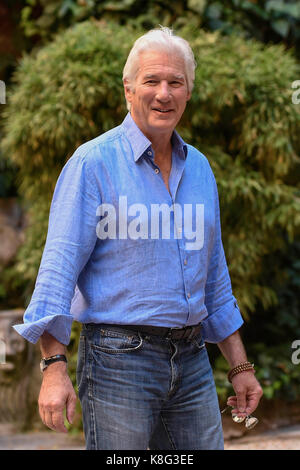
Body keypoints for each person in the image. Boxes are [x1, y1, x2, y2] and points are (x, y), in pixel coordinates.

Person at [13, 26, 263, 450]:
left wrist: (240, 366)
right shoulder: (92, 164)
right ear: (128, 90)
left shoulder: (200, 168)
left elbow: (215, 277)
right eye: (151, 81)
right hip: (117, 361)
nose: (163, 93)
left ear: (188, 94)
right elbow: (57, 271)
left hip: (192, 360)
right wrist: (54, 366)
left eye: (175, 82)